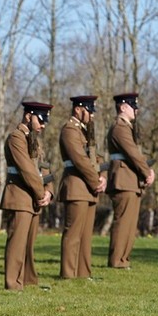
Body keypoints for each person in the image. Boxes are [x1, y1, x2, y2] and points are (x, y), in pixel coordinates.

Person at [1, 101, 54, 291]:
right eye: (40, 119)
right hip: (20, 195)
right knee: (17, 242)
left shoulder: (33, 139)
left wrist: (49, 191)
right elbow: (27, 170)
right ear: (28, 115)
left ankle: (28, 280)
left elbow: (44, 167)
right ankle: (13, 283)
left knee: (29, 243)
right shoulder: (16, 138)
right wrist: (42, 193)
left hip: (33, 196)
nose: (43, 124)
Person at [58, 95, 105, 279]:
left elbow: (97, 157)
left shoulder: (85, 131)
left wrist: (103, 177)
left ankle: (83, 273)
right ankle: (68, 274)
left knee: (86, 235)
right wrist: (96, 180)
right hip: (77, 186)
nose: (92, 115)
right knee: (73, 233)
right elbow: (80, 160)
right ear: (78, 109)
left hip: (89, 187)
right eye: (89, 111)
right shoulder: (70, 130)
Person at [106, 92, 154, 269]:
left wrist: (146, 171)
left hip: (130, 180)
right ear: (123, 107)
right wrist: (148, 172)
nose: (136, 110)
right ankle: (117, 260)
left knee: (129, 223)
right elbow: (133, 154)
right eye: (133, 106)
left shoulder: (126, 128)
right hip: (123, 179)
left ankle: (123, 259)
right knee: (123, 222)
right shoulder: (120, 128)